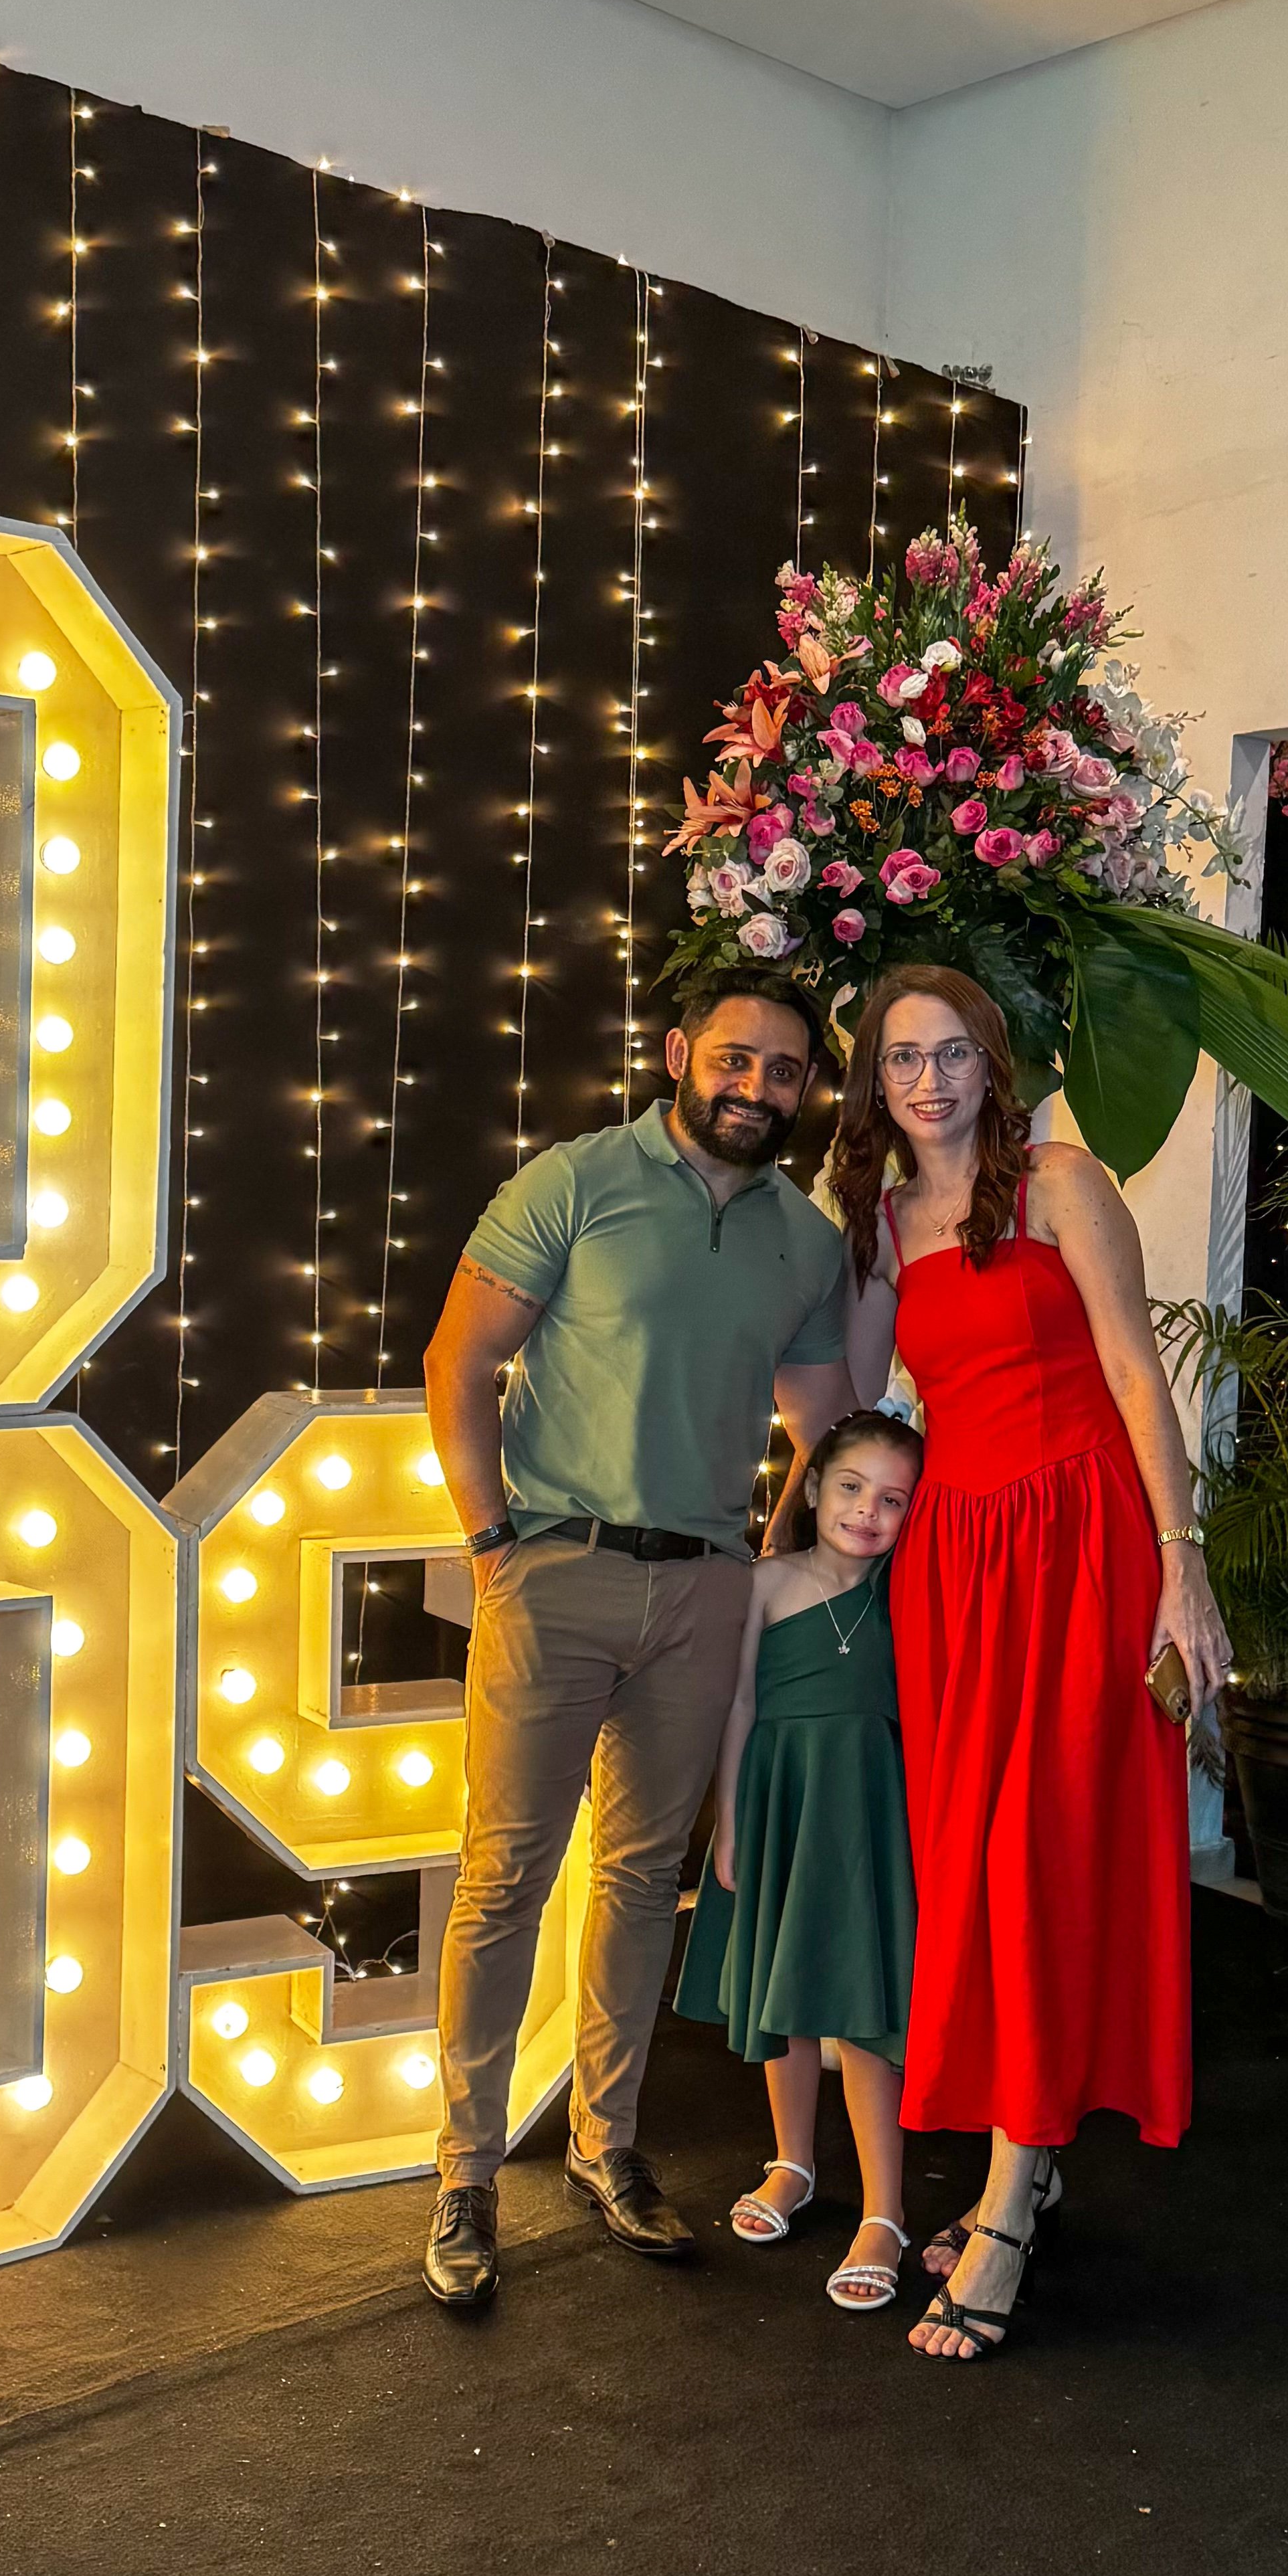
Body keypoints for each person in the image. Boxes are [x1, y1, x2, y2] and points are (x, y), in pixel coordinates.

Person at [774, 961, 1233, 2363]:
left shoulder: (1060, 1184)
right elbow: (846, 1404)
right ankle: (1025, 2152)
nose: (928, 1081)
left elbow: (1136, 1375)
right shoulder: (874, 1223)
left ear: (991, 1063)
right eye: (901, 1059)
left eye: (951, 1054)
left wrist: (1180, 1563)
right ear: (874, 1082)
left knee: (1041, 1854)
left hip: (1081, 1546)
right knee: (970, 1864)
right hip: (954, 1566)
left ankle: (1008, 2203)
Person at [418, 978, 854, 2310]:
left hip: (702, 1592)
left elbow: (824, 1427)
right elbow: (456, 1363)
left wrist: (764, 1561)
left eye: (783, 1070)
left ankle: (604, 2148)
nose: (755, 1087)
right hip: (554, 1573)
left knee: (640, 1878)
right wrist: (491, 1545)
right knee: (504, 1880)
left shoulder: (803, 1240)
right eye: (733, 1058)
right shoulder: (574, 1182)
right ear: (677, 1056)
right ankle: (463, 2176)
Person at [674, 1408, 923, 2313]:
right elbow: (738, 1704)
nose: (867, 1512)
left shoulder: (909, 1591)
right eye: (851, 1488)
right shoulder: (765, 1582)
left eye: (892, 1499)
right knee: (783, 1993)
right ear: (813, 1487)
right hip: (780, 1801)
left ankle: (885, 2213)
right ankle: (793, 2163)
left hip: (867, 1812)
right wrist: (731, 1825)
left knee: (861, 2005)